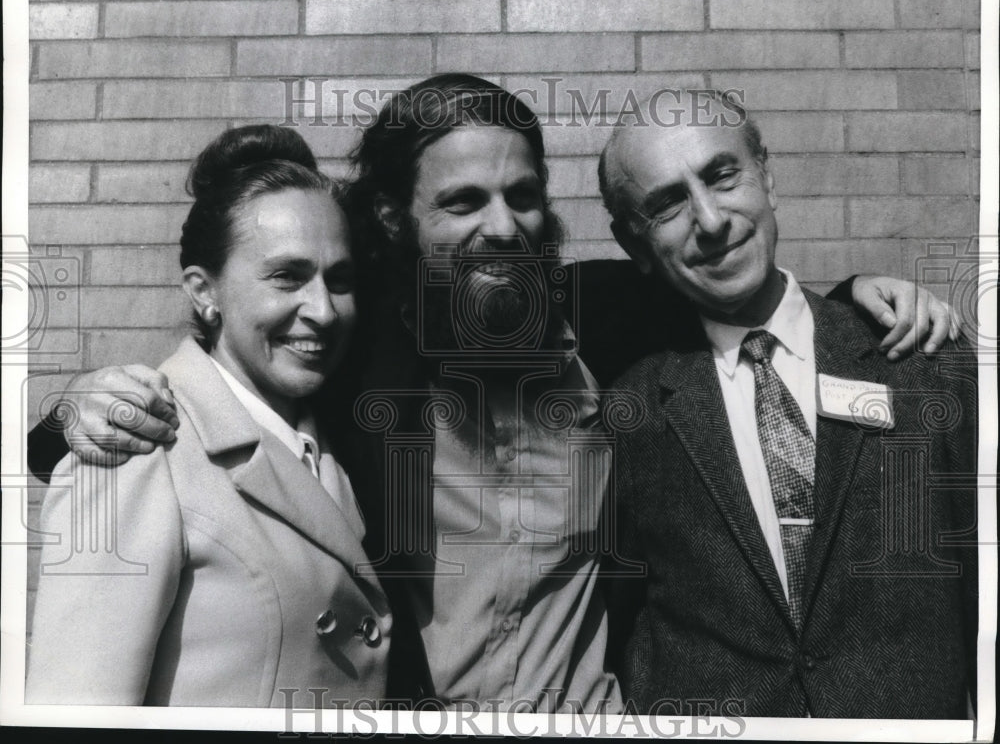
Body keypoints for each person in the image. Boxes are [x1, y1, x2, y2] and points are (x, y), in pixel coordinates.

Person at [27, 76, 961, 712]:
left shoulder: (604, 315)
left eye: (522, 195)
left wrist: (860, 299)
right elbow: (221, 399)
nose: (503, 226)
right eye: (464, 203)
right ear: (398, 220)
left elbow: (738, 290)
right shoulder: (351, 355)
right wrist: (70, 412)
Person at [598, 90, 977, 717]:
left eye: (723, 176)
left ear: (767, 177)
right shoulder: (628, 411)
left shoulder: (923, 363)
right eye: (668, 204)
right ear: (634, 244)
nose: (711, 219)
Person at [26, 125, 391, 706]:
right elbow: (76, 711)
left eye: (339, 281)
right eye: (286, 277)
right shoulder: (138, 448)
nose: (323, 311)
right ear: (204, 291)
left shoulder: (337, 439)